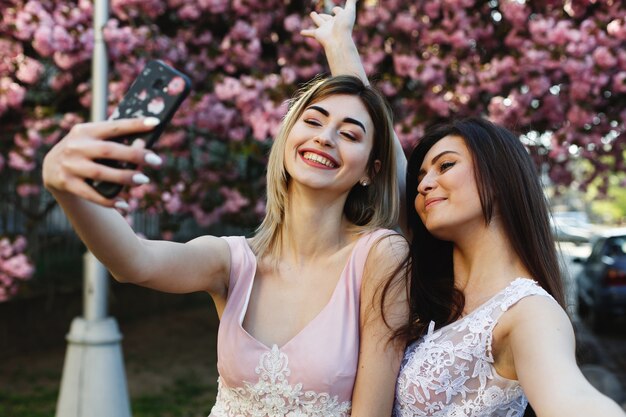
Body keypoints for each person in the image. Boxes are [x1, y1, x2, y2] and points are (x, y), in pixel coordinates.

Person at [42, 12, 409, 417]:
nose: (325, 136)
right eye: (314, 121)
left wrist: (341, 47)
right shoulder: (232, 261)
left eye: (350, 133)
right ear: (288, 138)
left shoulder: (380, 256)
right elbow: (135, 262)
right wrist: (65, 187)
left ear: (371, 171)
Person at [390, 118, 626, 416]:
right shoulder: (435, 286)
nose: (423, 185)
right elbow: (388, 153)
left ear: (498, 178)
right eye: (421, 175)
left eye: (446, 165)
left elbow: (572, 397)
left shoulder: (528, 312)